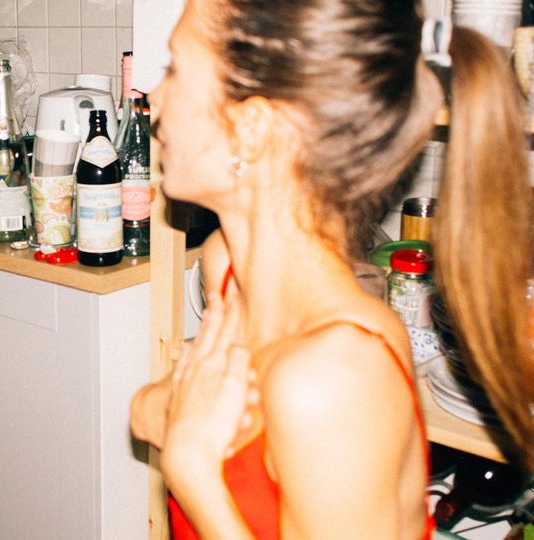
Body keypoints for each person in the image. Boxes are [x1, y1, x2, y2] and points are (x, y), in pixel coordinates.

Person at [130, 0, 534, 538]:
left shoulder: (334, 378)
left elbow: (189, 435)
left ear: (251, 129)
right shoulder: (229, 266)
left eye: (175, 69)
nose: (153, 98)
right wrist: (165, 415)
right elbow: (149, 412)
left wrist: (195, 474)